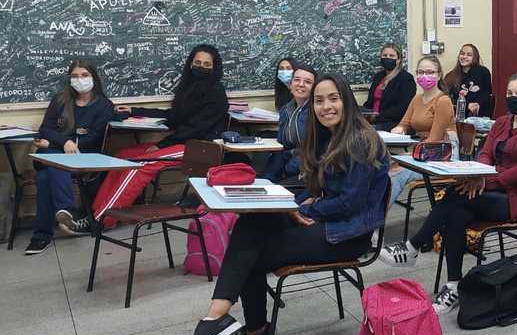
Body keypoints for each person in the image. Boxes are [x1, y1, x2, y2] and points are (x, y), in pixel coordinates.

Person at [177, 73, 389, 335]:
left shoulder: (361, 139)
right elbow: (322, 193)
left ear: (347, 101)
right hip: (329, 220)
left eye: (333, 98)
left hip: (348, 235)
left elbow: (351, 204)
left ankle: (243, 326)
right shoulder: (327, 138)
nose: (326, 106)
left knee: (250, 254)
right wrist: (291, 206)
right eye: (319, 100)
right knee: (252, 223)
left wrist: (303, 209)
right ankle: (219, 318)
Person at [379, 73, 517, 314]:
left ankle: (414, 246)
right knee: (457, 211)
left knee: (455, 197)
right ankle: (454, 285)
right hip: (490, 189)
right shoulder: (502, 122)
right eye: (510, 94)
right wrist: (479, 173)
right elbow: (485, 153)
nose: (514, 98)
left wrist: (484, 181)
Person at [92, 44, 229, 230]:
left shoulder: (216, 92)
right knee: (123, 156)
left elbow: (195, 129)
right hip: (182, 143)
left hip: (200, 149)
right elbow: (174, 117)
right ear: (190, 64)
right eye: (197, 62)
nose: (201, 67)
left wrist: (161, 145)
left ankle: (101, 220)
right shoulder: (188, 88)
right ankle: (95, 211)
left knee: (143, 163)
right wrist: (135, 110)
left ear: (214, 67)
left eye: (206, 64)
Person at [24, 59, 115, 255]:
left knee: (45, 177)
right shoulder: (60, 100)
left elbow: (94, 139)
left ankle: (41, 236)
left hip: (83, 158)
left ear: (94, 78)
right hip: (51, 156)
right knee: (53, 161)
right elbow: (45, 129)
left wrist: (58, 142)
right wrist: (64, 143)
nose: (79, 80)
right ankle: (66, 210)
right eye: (74, 76)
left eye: (84, 75)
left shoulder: (105, 105)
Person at [387, 55, 456, 203]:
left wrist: (406, 157)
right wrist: (398, 130)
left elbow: (435, 140)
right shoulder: (417, 99)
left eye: (430, 72)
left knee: (396, 174)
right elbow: (404, 124)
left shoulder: (443, 101)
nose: (424, 76)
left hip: (441, 155)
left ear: (439, 75)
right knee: (380, 169)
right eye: (420, 72)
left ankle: (375, 222)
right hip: (421, 152)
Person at [261, 64, 317, 186]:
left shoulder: (317, 111)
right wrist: (267, 178)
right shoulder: (286, 110)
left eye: (307, 82)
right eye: (297, 80)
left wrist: (288, 169)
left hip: (307, 170)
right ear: (290, 84)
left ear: (314, 88)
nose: (301, 84)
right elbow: (280, 146)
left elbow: (316, 150)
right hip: (286, 164)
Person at [363, 43, 416, 131]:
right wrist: (364, 114)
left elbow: (403, 108)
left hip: (391, 123)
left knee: (364, 132)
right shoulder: (378, 77)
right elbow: (369, 102)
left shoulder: (406, 79)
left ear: (398, 60)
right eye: (385, 55)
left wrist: (377, 116)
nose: (387, 58)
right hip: (372, 120)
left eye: (391, 56)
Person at [444, 43, 493, 118]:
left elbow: (486, 94)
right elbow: (448, 99)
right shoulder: (450, 76)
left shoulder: (483, 72)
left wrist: (477, 104)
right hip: (456, 116)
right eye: (462, 54)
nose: (464, 57)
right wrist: (466, 105)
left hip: (478, 116)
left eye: (469, 55)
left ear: (475, 57)